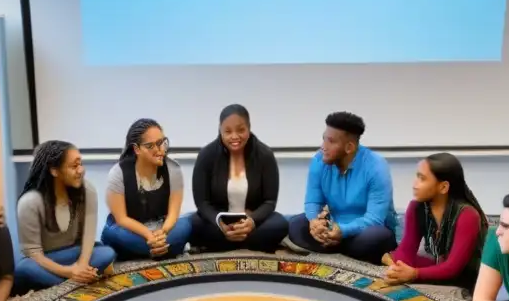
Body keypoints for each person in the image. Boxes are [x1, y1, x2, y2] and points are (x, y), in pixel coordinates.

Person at [286, 111, 398, 264]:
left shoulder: (377, 167)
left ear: (349, 148)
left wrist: (343, 231)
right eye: (323, 139)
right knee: (296, 225)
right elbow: (312, 202)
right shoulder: (319, 160)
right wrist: (314, 222)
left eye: (330, 141)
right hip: (334, 226)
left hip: (365, 230)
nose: (323, 147)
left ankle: (335, 245)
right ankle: (337, 245)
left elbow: (375, 219)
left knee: (375, 238)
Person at [14, 140, 117, 292]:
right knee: (25, 268)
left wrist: (81, 266)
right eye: (74, 166)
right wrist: (70, 272)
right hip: (46, 260)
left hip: (74, 253)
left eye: (81, 164)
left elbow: (89, 236)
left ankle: (62, 284)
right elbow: (35, 254)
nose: (81, 170)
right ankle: (76, 283)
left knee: (106, 252)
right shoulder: (30, 202)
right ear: (54, 171)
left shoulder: (87, 190)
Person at [189, 104, 288, 253]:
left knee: (280, 224)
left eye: (240, 130)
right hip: (220, 223)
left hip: (252, 223)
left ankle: (225, 243)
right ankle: (244, 242)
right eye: (228, 131)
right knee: (192, 224)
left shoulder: (265, 155)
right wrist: (219, 222)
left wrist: (252, 221)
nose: (234, 136)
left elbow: (269, 201)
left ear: (249, 128)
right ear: (220, 130)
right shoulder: (206, 155)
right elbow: (202, 203)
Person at [383, 153, 489, 291]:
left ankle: (390, 257)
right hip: (440, 263)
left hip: (468, 277)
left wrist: (414, 274)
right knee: (402, 262)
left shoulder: (468, 215)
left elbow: (453, 268)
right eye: (417, 176)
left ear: (443, 187)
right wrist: (399, 270)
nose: (414, 184)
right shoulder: (416, 207)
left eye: (422, 179)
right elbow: (407, 250)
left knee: (416, 268)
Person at [101, 119, 192, 260]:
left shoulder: (173, 169)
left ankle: (149, 249)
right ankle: (165, 248)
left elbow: (173, 213)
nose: (160, 150)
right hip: (129, 229)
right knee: (112, 234)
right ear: (137, 149)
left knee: (186, 224)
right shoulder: (118, 172)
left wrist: (162, 232)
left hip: (160, 227)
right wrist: (149, 236)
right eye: (151, 146)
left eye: (162, 142)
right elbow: (121, 219)